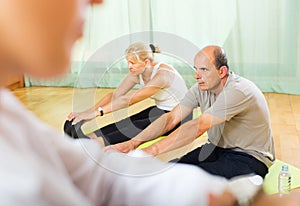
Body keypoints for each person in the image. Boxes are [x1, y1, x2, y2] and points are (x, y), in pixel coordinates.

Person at [109, 45, 276, 179]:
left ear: (222, 72)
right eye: (196, 69)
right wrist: (133, 144)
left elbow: (198, 126)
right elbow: (171, 118)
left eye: (204, 70)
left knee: (189, 182)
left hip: (249, 157)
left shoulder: (239, 91)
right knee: (170, 171)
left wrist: (150, 151)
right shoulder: (200, 88)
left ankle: (249, 185)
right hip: (215, 148)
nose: (196, 75)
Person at [64, 42, 191, 146]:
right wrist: (86, 114)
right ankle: (88, 138)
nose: (129, 66)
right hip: (162, 109)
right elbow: (115, 95)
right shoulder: (137, 73)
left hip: (180, 118)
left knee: (133, 128)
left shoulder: (163, 75)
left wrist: (95, 114)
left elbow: (128, 100)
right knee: (126, 122)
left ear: (146, 62)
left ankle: (92, 144)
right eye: (128, 62)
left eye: (132, 63)